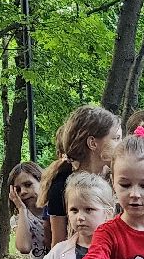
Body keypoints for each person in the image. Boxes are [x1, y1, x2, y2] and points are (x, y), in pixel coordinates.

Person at [42, 105, 124, 248]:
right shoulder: (62, 185)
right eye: (115, 138)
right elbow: (58, 244)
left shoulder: (118, 181)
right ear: (93, 143)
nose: (120, 145)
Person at [7, 162, 48, 257]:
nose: (23, 192)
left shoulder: (56, 208)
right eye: (17, 190)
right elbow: (24, 247)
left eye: (28, 185)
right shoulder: (19, 218)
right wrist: (21, 209)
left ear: (42, 182)